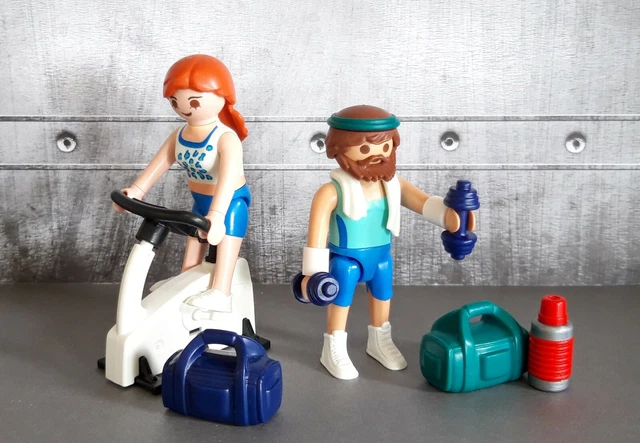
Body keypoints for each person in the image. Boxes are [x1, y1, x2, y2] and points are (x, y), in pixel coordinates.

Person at [299, 105, 476, 379]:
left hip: (381, 256)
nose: (377, 155)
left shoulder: (393, 185)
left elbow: (424, 203)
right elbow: (316, 235)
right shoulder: (331, 192)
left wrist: (453, 218)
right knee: (340, 298)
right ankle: (333, 345)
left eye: (384, 147)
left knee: (383, 295)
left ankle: (379, 339)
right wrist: (312, 273)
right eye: (365, 149)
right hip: (345, 259)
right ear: (339, 149)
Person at [113, 54, 249, 312]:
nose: (183, 107)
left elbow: (228, 179)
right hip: (200, 201)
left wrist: (218, 215)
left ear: (222, 97)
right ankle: (185, 281)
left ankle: (221, 290)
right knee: (193, 245)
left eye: (194, 101)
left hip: (230, 202)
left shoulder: (225, 138)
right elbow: (158, 165)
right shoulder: (180, 135)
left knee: (225, 242)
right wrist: (136, 191)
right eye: (175, 101)